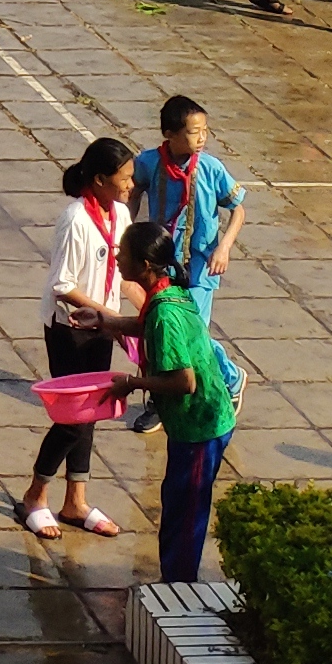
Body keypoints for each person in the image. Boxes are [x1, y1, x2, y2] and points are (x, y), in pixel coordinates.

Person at [105, 221, 238, 580]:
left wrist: (131, 383)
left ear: (145, 266)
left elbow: (184, 380)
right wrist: (109, 321)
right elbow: (146, 324)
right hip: (197, 425)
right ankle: (174, 581)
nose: (117, 258)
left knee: (185, 516)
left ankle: (179, 589)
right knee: (176, 504)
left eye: (124, 254)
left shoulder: (164, 312)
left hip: (200, 426)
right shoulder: (170, 291)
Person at [24, 137, 140, 539]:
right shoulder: (75, 219)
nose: (129, 185)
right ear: (98, 180)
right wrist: (111, 319)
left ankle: (76, 500)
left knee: (95, 411)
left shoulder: (120, 214)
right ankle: (36, 495)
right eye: (123, 178)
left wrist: (147, 316)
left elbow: (124, 277)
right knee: (72, 418)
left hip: (102, 326)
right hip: (69, 329)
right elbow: (62, 285)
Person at [128, 95, 245, 320]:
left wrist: (224, 248)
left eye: (205, 131)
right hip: (161, 262)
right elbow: (132, 193)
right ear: (170, 135)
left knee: (194, 329)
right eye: (193, 132)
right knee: (164, 323)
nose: (201, 138)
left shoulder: (211, 169)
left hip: (201, 266)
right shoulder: (149, 162)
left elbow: (238, 209)